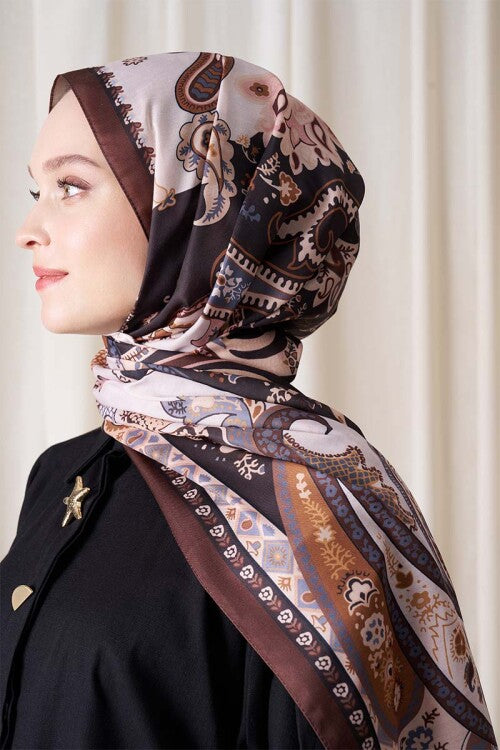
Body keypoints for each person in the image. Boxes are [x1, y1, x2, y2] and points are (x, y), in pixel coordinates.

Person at [0, 50, 496, 750]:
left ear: (199, 207)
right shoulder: (64, 474)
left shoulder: (320, 495)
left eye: (71, 187)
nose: (28, 228)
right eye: (36, 190)